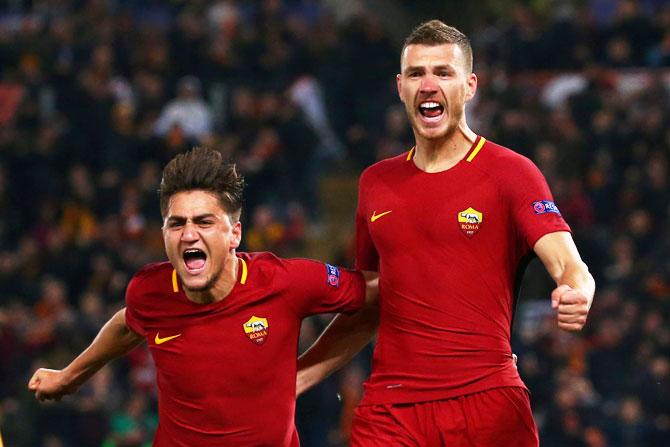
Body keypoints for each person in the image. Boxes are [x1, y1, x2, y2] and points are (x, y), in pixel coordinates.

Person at [297, 20, 595, 447]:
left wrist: (577, 290)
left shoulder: (510, 172)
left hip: (486, 402)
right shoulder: (375, 183)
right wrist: (293, 380)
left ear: (470, 85)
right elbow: (368, 303)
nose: (428, 84)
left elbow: (569, 263)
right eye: (417, 73)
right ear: (400, 87)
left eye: (443, 72)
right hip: (391, 409)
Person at [28, 147, 376, 446]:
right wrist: (70, 376)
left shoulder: (285, 282)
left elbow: (374, 298)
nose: (189, 234)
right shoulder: (150, 291)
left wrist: (305, 374)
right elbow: (127, 324)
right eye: (176, 224)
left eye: (204, 222)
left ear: (234, 233)